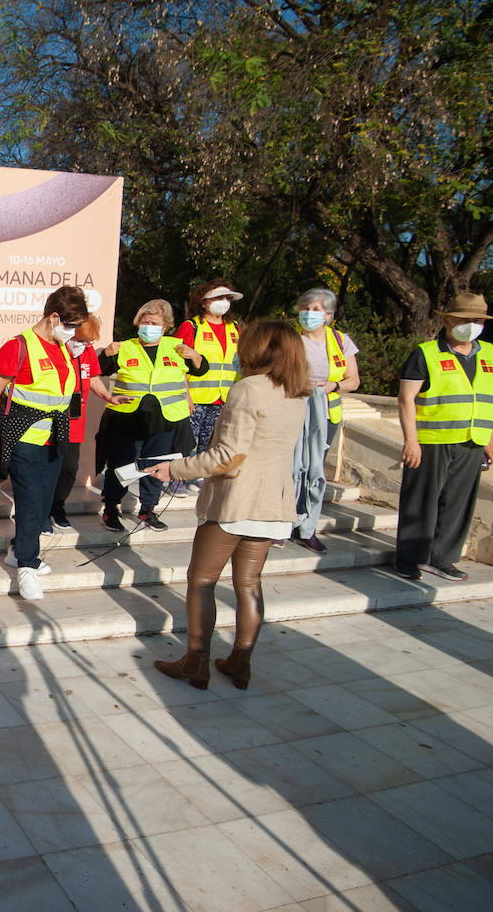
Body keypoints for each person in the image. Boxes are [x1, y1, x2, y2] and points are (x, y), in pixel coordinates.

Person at [145, 320, 311, 690]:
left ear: (259, 348)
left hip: (237, 501)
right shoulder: (296, 394)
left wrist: (174, 469)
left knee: (202, 580)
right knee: (249, 583)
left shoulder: (249, 388)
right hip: (273, 502)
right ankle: (241, 662)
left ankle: (196, 661)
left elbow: (228, 456)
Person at [0, 287, 91, 600]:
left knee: (43, 504)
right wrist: (4, 432)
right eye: (71, 325)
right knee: (29, 503)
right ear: (54, 317)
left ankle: (18, 550)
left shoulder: (63, 348)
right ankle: (27, 567)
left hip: (54, 440)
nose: (73, 332)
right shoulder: (18, 347)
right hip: (25, 441)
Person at [394, 292, 493, 581]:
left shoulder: (489, 352)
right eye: (464, 320)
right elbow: (406, 398)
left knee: (459, 501)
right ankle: (409, 558)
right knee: (421, 500)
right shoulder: (426, 353)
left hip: (473, 439)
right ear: (447, 321)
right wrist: (411, 440)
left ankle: (442, 558)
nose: (471, 325)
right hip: (431, 440)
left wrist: (492, 435)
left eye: (477, 320)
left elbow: (492, 394)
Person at [96, 298, 207, 533]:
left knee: (156, 465)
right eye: (144, 322)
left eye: (154, 323)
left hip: (165, 420)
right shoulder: (125, 347)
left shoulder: (177, 348)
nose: (148, 327)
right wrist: (106, 353)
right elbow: (99, 369)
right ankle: (111, 508)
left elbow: (201, 369)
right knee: (120, 465)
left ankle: (148, 509)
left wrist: (195, 355)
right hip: (127, 418)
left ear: (165, 327)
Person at [290, 287, 361, 553]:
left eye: (316, 310)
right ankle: (284, 522)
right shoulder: (291, 340)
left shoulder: (341, 341)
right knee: (291, 468)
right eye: (305, 309)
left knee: (315, 471)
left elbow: (353, 380)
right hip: (294, 409)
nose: (309, 314)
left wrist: (333, 386)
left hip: (326, 415)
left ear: (328, 315)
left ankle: (307, 528)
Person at [44, 313, 124, 536]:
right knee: (47, 468)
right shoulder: (53, 349)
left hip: (74, 420)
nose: (84, 345)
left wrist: (109, 397)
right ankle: (41, 512)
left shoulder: (86, 351)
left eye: (88, 342)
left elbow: (94, 378)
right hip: (49, 419)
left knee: (69, 468)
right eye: (80, 340)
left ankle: (57, 506)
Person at [173, 280, 244, 492]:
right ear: (204, 302)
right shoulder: (192, 326)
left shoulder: (235, 328)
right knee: (187, 440)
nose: (223, 302)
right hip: (195, 396)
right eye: (218, 297)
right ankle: (177, 479)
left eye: (226, 298)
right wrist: (185, 395)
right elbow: (178, 364)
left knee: (210, 442)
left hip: (223, 397)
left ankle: (199, 477)